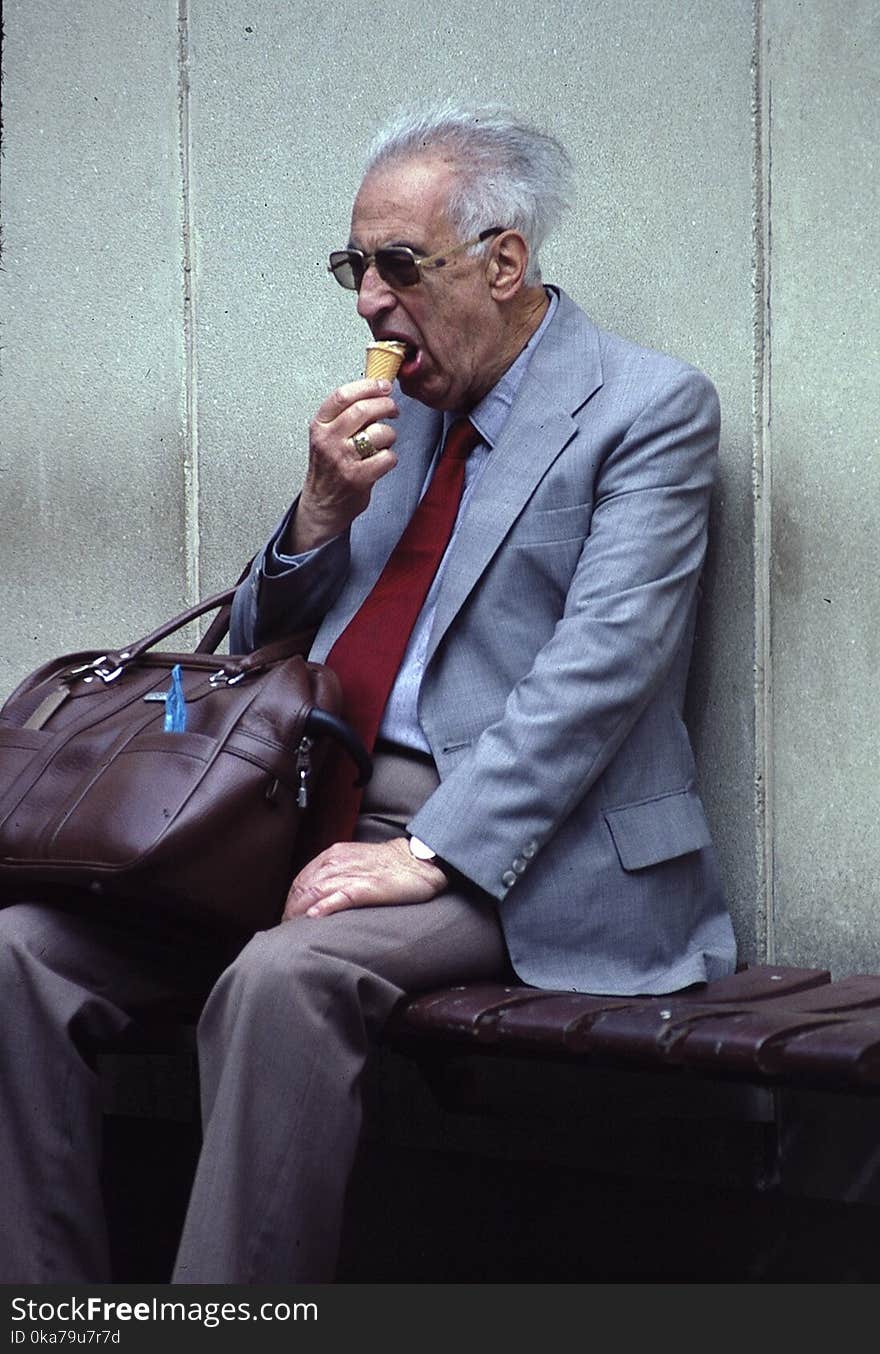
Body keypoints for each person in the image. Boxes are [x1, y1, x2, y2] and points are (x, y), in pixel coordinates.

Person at [0, 101, 737, 1284]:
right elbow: (246, 654)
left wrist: (431, 852)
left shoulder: (644, 412)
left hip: (512, 855)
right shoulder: (393, 418)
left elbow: (603, 670)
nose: (369, 303)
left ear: (503, 263)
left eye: (400, 265)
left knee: (287, 975)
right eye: (357, 266)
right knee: (21, 951)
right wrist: (313, 519)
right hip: (303, 820)